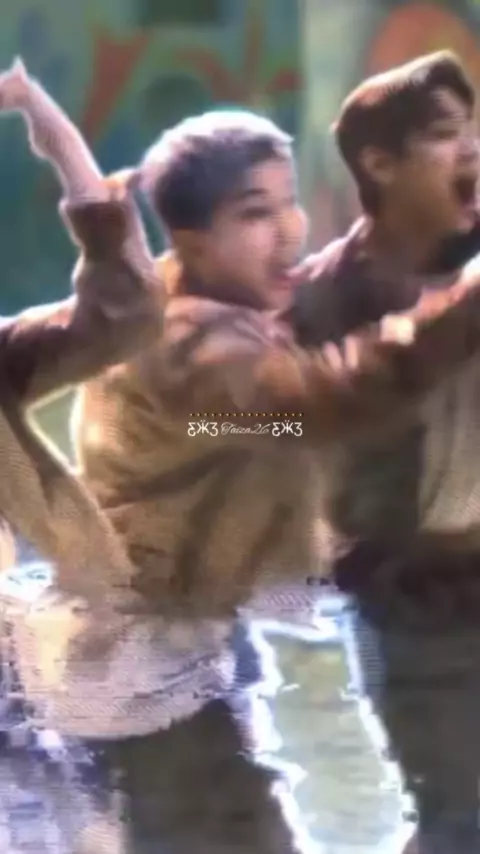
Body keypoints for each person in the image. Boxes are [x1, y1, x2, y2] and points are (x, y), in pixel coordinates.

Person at [11, 81, 480, 854]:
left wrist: (51, 127)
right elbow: (305, 406)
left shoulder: (214, 302)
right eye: (256, 213)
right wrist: (461, 308)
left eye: (289, 204)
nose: (289, 228)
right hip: (137, 663)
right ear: (192, 239)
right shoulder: (195, 352)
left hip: (190, 644)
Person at [290, 51, 480, 854]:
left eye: (475, 129)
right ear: (379, 163)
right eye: (446, 133)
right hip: (415, 599)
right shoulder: (322, 297)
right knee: (459, 821)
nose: (472, 148)